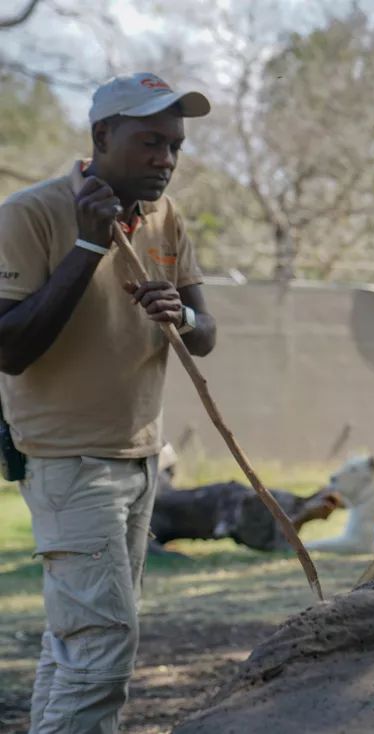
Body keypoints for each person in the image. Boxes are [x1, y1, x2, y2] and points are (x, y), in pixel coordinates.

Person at [0, 72, 215, 734]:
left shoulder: (166, 217)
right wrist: (90, 245)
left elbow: (205, 335)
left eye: (174, 146)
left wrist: (182, 313)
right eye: (150, 142)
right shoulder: (29, 215)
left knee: (76, 645)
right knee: (103, 651)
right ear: (102, 137)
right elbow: (9, 347)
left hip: (142, 456)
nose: (165, 160)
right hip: (69, 462)